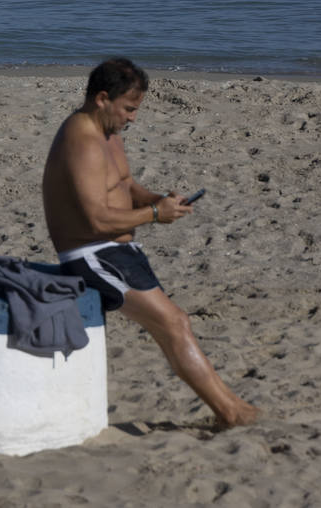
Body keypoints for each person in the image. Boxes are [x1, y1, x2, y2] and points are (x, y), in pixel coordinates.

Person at [42, 57, 259, 428]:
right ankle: (233, 414)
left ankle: (231, 409)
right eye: (128, 109)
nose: (132, 118)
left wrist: (157, 199)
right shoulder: (82, 139)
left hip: (118, 251)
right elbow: (96, 218)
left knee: (174, 324)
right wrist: (155, 215)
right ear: (102, 98)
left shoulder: (108, 133)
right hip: (91, 254)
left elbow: (124, 185)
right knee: (174, 323)